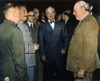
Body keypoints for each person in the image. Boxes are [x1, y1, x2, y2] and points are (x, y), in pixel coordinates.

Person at [66, 1, 100, 81]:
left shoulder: (89, 22)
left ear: (83, 9)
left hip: (82, 66)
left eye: (75, 11)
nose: (73, 13)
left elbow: (90, 49)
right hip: (78, 64)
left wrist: (83, 68)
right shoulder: (84, 21)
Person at [0, 3, 28, 81]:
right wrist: (22, 77)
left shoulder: (1, 27)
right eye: (19, 13)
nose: (19, 16)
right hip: (13, 74)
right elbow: (19, 61)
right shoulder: (15, 31)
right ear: (14, 14)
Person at [39, 6, 68, 81]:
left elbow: (66, 38)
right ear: (45, 14)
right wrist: (42, 54)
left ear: (55, 13)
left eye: (52, 12)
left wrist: (64, 48)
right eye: (48, 13)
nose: (50, 15)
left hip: (59, 54)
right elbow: (41, 41)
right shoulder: (42, 26)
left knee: (61, 74)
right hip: (48, 55)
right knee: (49, 76)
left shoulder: (61, 24)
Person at [17, 4, 39, 81]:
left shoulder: (23, 25)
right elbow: (19, 47)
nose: (26, 14)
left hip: (30, 60)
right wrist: (33, 47)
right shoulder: (18, 26)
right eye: (24, 11)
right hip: (25, 61)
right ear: (17, 12)